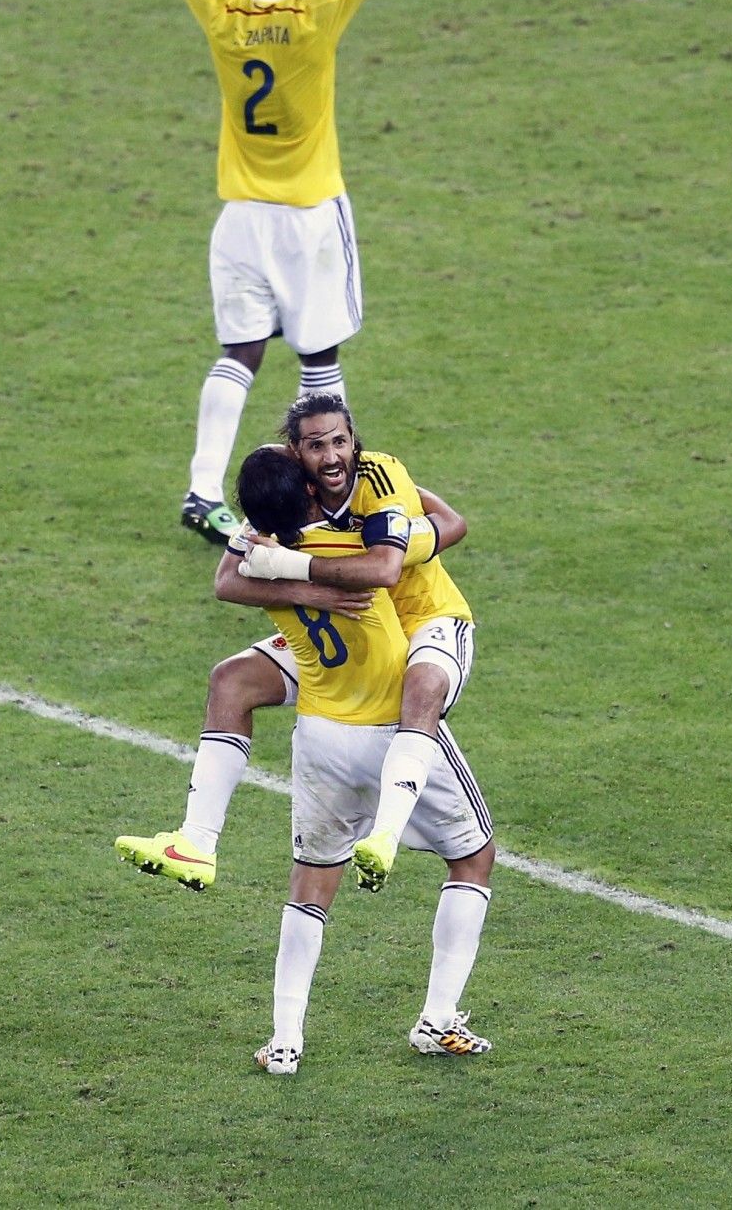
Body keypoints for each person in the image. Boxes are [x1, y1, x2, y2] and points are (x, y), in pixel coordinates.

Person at [112, 0, 443, 541]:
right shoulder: (319, 13)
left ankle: (203, 490)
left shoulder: (223, 7)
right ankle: (337, 494)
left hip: (239, 221)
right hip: (307, 218)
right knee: (318, 354)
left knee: (241, 353)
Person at [116, 394, 474, 892]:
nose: (330, 456)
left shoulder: (375, 485)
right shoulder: (279, 504)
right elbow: (227, 581)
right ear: (299, 456)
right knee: (232, 680)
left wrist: (288, 567)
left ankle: (388, 834)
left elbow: (412, 550)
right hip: (361, 630)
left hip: (418, 622)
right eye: (315, 446)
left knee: (420, 689)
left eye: (338, 443)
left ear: (351, 442)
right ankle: (196, 842)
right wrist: (312, 593)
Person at [241, 447, 495, 1072]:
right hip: (392, 729)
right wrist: (393, 497)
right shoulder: (351, 554)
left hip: (321, 733)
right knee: (473, 856)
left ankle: (285, 1039)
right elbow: (410, 550)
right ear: (305, 483)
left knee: (311, 882)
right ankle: (436, 1020)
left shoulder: (261, 562)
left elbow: (227, 579)